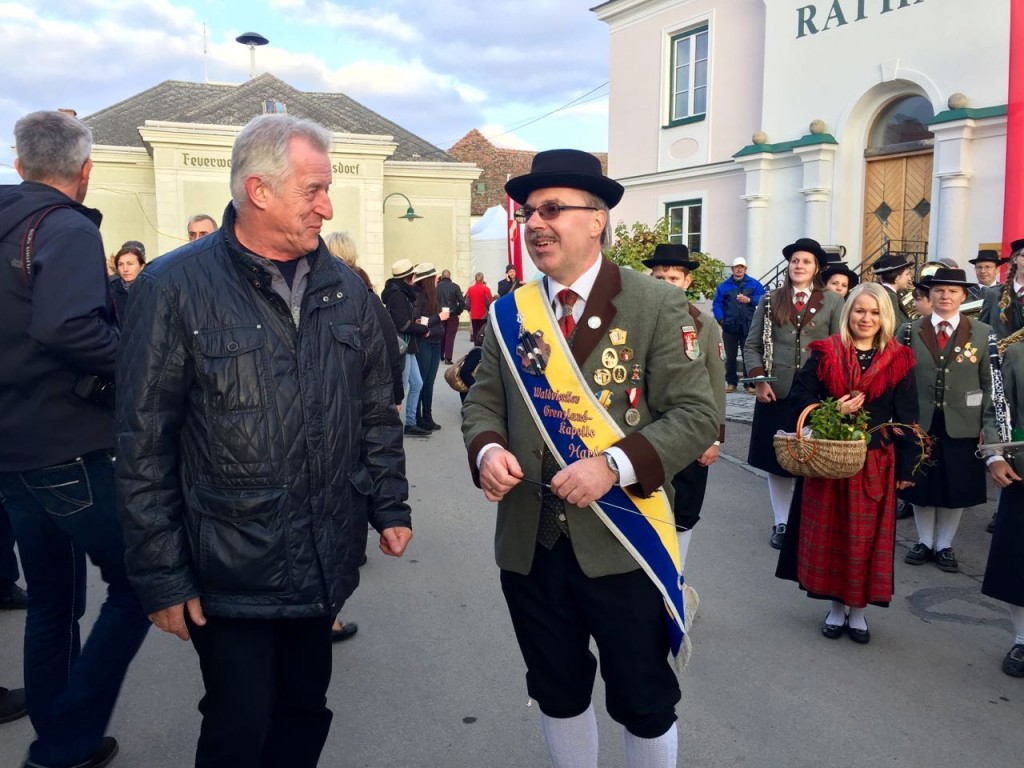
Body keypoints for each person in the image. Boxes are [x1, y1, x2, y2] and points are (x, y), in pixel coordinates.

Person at [115, 114, 413, 768]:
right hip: (230, 565)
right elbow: (142, 444)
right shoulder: (172, 289)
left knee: (306, 712)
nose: (327, 206)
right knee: (237, 727)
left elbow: (374, 409)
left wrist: (390, 504)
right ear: (259, 191)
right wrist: (162, 575)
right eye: (314, 190)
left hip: (325, 552)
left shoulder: (345, 290)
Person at [462, 149, 719, 768]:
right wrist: (488, 449)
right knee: (556, 690)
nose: (537, 223)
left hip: (622, 542)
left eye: (553, 209)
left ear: (597, 218)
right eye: (530, 212)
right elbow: (483, 401)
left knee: (643, 697)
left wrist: (613, 465)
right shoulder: (510, 312)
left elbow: (697, 415)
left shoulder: (655, 304)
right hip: (531, 540)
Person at [0, 109, 150, 768]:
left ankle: (59, 730)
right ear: (85, 171)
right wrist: (139, 355)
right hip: (63, 444)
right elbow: (68, 329)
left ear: (18, 164)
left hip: (13, 448)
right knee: (142, 581)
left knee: (52, 601)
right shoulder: (62, 227)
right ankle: (61, 745)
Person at [776, 283, 918, 644]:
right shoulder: (826, 353)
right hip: (828, 461)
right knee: (830, 535)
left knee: (863, 541)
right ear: (848, 313)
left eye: (873, 312)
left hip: (874, 463)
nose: (865, 318)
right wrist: (832, 409)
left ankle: (858, 612)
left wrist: (905, 470)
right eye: (859, 311)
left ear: (884, 316)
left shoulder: (899, 359)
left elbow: (906, 418)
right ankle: (835, 609)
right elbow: (798, 397)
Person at [323, 230, 405, 644]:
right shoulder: (361, 291)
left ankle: (329, 609)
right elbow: (390, 350)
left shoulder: (357, 293)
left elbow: (382, 349)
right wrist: (395, 398)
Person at [744, 237, 844, 549]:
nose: (798, 265)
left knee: (812, 460)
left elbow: (840, 346)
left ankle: (808, 522)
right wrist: (760, 380)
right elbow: (752, 345)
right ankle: (782, 522)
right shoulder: (771, 299)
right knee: (778, 462)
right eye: (795, 260)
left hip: (816, 394)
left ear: (817, 269)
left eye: (806, 261)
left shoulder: (832, 301)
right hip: (776, 391)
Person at [898, 268, 998, 573]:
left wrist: (988, 425)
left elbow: (990, 384)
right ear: (929, 295)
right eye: (939, 290)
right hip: (920, 420)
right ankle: (924, 540)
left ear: (963, 296)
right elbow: (899, 378)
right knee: (920, 482)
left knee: (955, 485)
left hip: (963, 422)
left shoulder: (982, 332)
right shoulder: (909, 330)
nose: (945, 296)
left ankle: (944, 544)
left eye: (952, 291)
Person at [643, 243, 725, 576]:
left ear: (687, 282)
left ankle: (676, 576)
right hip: (646, 429)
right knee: (646, 504)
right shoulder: (637, 318)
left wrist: (713, 438)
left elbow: (715, 380)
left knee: (686, 508)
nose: (665, 283)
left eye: (673, 277)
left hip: (691, 430)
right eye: (659, 276)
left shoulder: (704, 325)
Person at [981, 338, 1024, 677]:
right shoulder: (1018, 354)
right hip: (1023, 468)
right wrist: (995, 455)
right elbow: (997, 408)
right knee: (1018, 561)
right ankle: (1023, 639)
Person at [382, 259, 432, 437]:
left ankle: (410, 422)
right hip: (402, 344)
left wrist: (416, 325)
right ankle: (391, 424)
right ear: (408, 277)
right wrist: (421, 328)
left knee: (416, 383)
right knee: (401, 386)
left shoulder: (400, 292)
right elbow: (402, 324)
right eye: (414, 275)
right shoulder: (398, 295)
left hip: (407, 344)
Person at [712, 256, 765, 393]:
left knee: (749, 355)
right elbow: (717, 303)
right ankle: (731, 383)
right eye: (737, 267)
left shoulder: (754, 284)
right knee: (730, 356)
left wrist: (750, 299)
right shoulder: (724, 286)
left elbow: (763, 298)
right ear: (732, 269)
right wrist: (720, 319)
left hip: (748, 326)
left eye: (742, 267)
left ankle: (749, 384)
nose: (739, 269)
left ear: (745, 269)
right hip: (729, 326)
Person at [411, 262, 450, 431]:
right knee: (422, 382)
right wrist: (438, 319)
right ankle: (418, 417)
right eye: (435, 278)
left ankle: (427, 416)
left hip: (434, 341)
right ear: (428, 279)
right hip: (425, 343)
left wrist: (434, 322)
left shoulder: (432, 296)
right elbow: (417, 320)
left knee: (429, 382)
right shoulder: (419, 296)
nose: (437, 281)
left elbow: (425, 320)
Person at [980, 238, 1024, 340]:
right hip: (1001, 354)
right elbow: (981, 331)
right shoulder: (993, 294)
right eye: (1023, 256)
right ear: (1014, 259)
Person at [872, 253, 914, 326]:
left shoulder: (886, 292)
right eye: (907, 274)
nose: (909, 278)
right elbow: (893, 327)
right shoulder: (890, 296)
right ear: (897, 278)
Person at [108, 242, 145, 322]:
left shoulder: (152, 289)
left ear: (141, 266)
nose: (125, 269)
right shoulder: (109, 290)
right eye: (120, 264)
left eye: (130, 264)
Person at [436, 268, 465, 364]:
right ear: (450, 276)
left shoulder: (437, 287)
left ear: (442, 277)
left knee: (441, 334)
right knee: (450, 336)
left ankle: (440, 354)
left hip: (440, 314)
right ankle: (448, 358)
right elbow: (462, 302)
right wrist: (458, 312)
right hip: (452, 314)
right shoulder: (455, 287)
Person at [464, 271, 493, 345]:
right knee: (483, 334)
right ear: (483, 279)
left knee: (476, 333)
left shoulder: (470, 289)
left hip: (474, 315)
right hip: (484, 315)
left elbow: (467, 302)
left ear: (475, 279)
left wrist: (470, 309)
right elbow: (489, 303)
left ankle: (476, 348)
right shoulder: (486, 289)